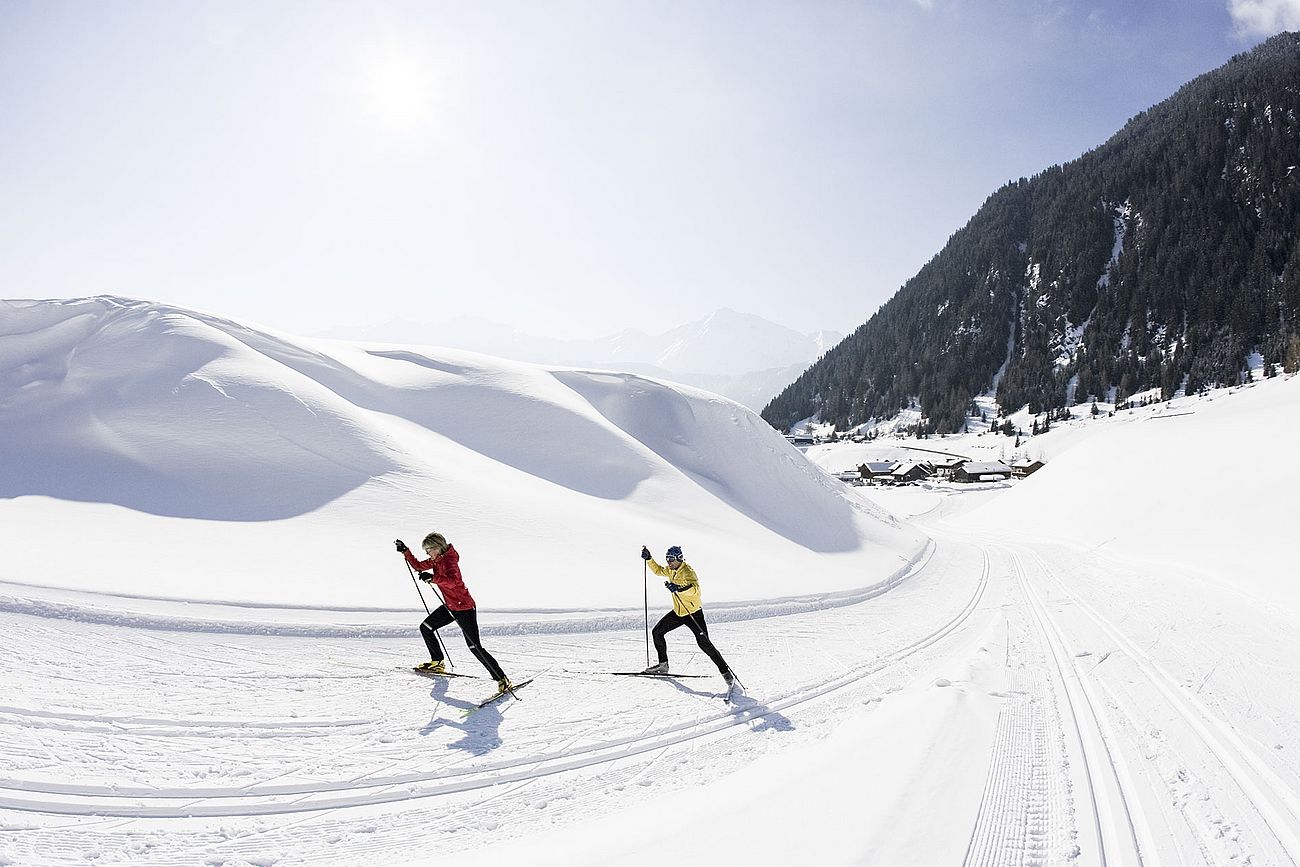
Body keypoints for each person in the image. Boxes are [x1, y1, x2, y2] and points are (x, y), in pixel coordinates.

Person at [396, 533, 513, 695]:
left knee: (474, 647)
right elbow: (418, 566)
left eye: (428, 550)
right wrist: (405, 552)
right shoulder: (436, 560)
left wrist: (434, 578)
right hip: (451, 606)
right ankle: (437, 661)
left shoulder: (449, 561)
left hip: (464, 608)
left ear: (436, 548)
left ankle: (502, 679)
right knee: (426, 627)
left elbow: (455, 582)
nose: (427, 554)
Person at [640, 544, 734, 686]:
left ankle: (726, 672)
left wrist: (678, 588)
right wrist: (649, 559)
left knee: (704, 644)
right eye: (667, 559)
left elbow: (695, 591)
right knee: (657, 632)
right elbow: (659, 570)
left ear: (679, 559)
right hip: (678, 612)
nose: (669, 562)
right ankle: (663, 665)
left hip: (693, 614)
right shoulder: (671, 570)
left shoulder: (688, 572)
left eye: (671, 559)